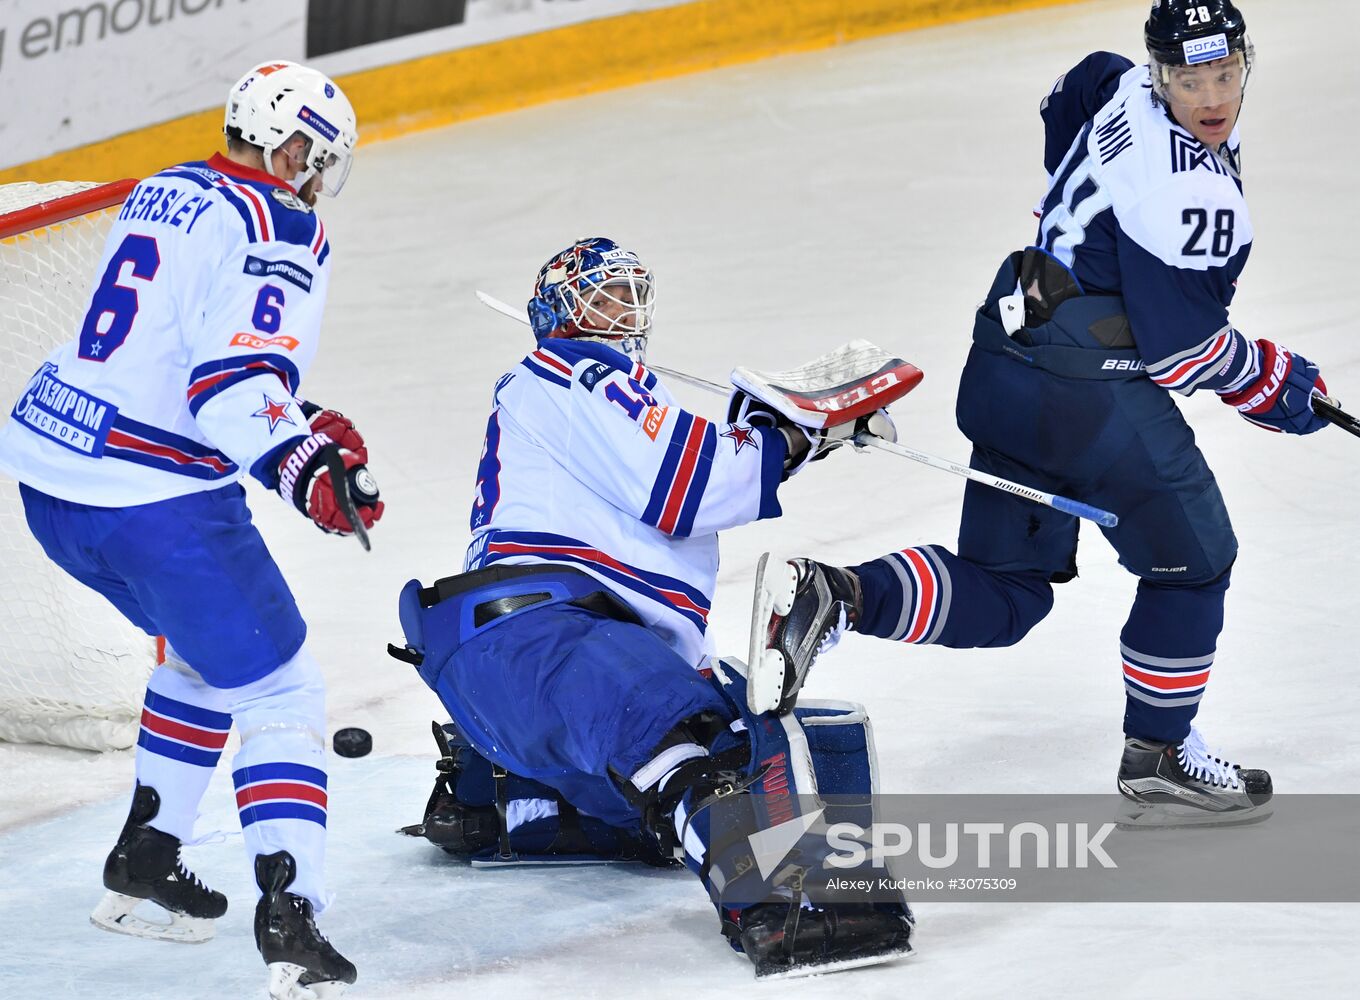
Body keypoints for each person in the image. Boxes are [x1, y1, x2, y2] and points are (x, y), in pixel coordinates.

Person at [752, 0, 1319, 823]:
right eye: (1190, 79)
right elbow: (1184, 355)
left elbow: (1071, 92)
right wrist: (1279, 386)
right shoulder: (1192, 191)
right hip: (1090, 396)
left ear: (1245, 63)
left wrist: (1074, 226)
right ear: (1162, 74)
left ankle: (839, 595)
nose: (1211, 98)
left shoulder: (1119, 83)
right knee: (1195, 566)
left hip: (1010, 351)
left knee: (1007, 590)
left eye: (1225, 74)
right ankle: (1158, 752)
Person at [390, 237, 913, 977]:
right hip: (546, 635)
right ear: (556, 313)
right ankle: (780, 912)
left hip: (505, 668)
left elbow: (680, 488)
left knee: (674, 795)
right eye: (600, 295)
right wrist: (794, 434)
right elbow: (688, 486)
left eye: (629, 293)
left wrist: (785, 440)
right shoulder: (571, 370)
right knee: (697, 745)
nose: (621, 310)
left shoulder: (591, 401)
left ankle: (494, 802)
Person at [0, 61, 382, 998]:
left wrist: (298, 413)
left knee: (204, 659)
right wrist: (302, 469)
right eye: (314, 155)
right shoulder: (285, 229)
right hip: (151, 503)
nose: (315, 176)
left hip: (53, 479)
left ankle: (146, 864)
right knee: (281, 686)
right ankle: (296, 923)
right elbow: (229, 385)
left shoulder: (169, 187)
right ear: (285, 141)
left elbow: (176, 344)